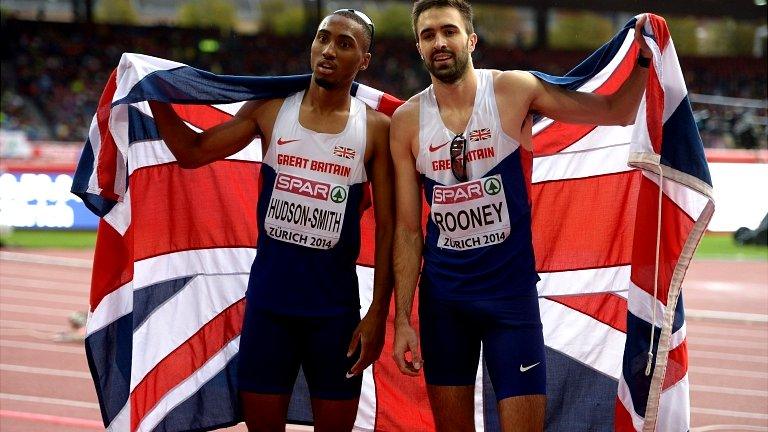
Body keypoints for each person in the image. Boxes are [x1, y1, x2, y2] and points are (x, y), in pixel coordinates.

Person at [389, 1, 652, 430]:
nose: (439, 41)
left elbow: (616, 112)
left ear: (470, 40)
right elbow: (405, 230)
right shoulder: (406, 122)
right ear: (419, 47)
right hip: (443, 305)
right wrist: (402, 319)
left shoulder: (512, 91)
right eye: (428, 34)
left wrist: (643, 55)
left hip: (510, 302)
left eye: (449, 31)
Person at [148, 9, 394, 432]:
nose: (329, 50)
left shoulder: (375, 130)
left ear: (364, 61)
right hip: (270, 308)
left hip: (335, 315)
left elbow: (392, 230)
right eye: (323, 38)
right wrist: (151, 92)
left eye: (345, 43)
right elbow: (191, 152)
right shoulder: (270, 109)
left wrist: (378, 315)